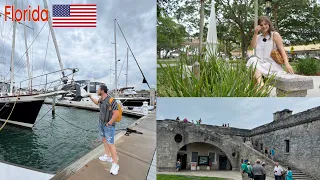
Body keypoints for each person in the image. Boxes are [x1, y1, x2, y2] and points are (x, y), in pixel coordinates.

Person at [247, 16, 294, 88]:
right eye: (261, 25)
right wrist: (255, 33)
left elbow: (282, 50)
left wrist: (287, 64)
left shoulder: (274, 35)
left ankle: (259, 86)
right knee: (252, 60)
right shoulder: (258, 37)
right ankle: (261, 84)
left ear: (269, 24)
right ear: (259, 26)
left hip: (271, 64)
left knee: (255, 71)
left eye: (265, 24)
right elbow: (253, 46)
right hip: (260, 63)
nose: (264, 26)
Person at [89, 85, 120, 175]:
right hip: (101, 123)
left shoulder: (111, 100)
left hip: (108, 125)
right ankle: (107, 155)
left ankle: (115, 164)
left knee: (111, 144)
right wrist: (90, 97)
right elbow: (96, 102)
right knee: (104, 140)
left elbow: (116, 114)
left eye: (98, 89)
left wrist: (110, 123)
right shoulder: (101, 99)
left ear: (102, 91)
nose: (97, 91)